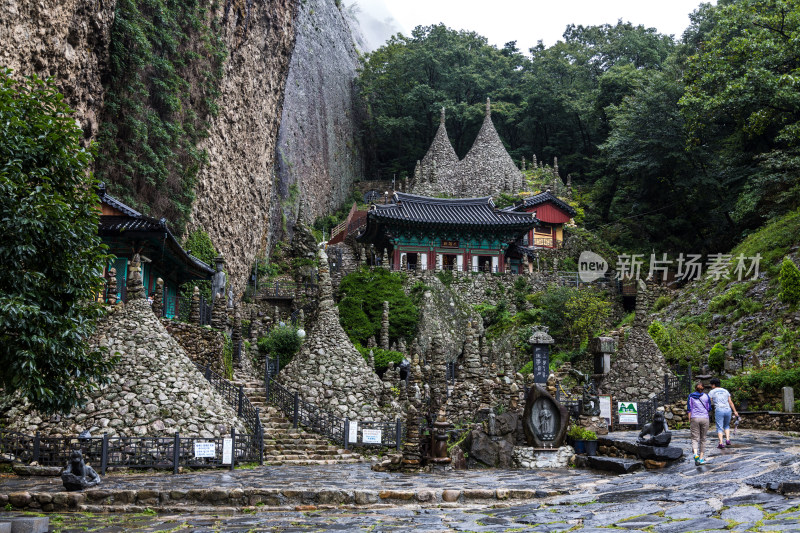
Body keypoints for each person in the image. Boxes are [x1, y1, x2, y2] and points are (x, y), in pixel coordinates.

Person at [708, 377, 739, 448]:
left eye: (711, 385)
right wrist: (735, 411)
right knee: (726, 425)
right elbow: (730, 402)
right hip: (728, 409)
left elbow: (709, 401)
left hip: (719, 409)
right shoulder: (725, 391)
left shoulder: (712, 391)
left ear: (713, 385)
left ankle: (721, 443)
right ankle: (728, 440)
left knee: (719, 427)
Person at [687, 382, 711, 465]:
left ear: (695, 388)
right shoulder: (706, 396)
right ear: (703, 388)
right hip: (705, 418)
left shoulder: (691, 396)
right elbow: (709, 408)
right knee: (703, 438)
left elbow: (689, 408)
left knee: (694, 438)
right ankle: (701, 459)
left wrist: (689, 419)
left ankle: (695, 454)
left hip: (695, 418)